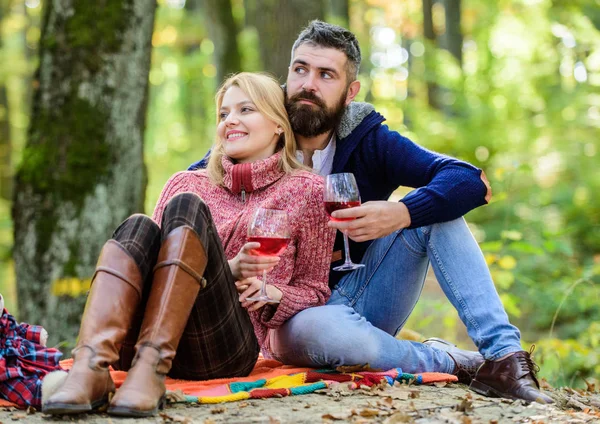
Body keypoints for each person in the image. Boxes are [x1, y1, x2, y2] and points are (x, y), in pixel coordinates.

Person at [188, 21, 553, 404]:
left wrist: (403, 213)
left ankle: (504, 358)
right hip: (291, 318)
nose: (308, 84)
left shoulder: (370, 140)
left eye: (326, 74)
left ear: (350, 92)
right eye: (300, 69)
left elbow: (469, 180)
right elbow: (195, 196)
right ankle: (449, 359)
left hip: (364, 291)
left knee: (437, 215)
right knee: (322, 331)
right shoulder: (256, 134)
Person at [42, 72, 336, 417]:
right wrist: (229, 269)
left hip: (221, 346)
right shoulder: (187, 182)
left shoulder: (308, 190)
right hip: (139, 343)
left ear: (278, 125)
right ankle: (90, 366)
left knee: (186, 207)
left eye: (246, 110)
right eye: (224, 114)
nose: (231, 121)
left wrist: (274, 295)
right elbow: (151, 270)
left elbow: (315, 289)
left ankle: (152, 368)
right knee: (140, 225)